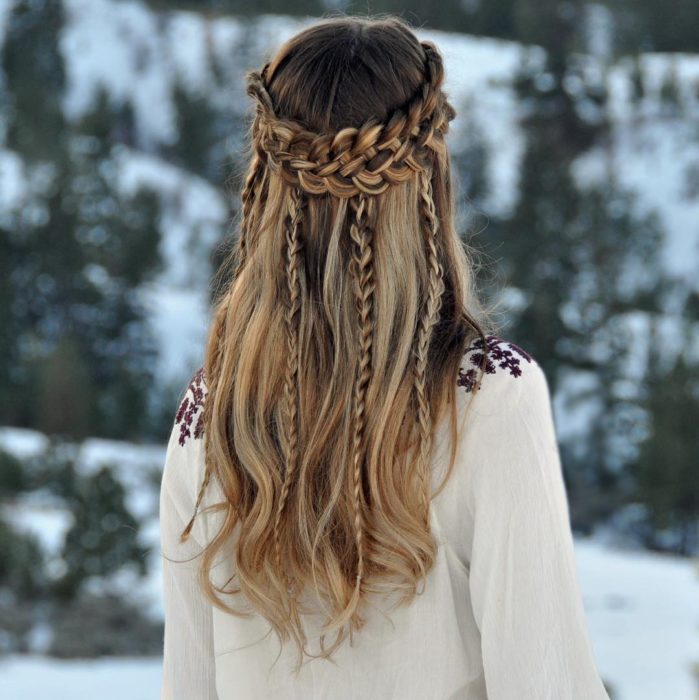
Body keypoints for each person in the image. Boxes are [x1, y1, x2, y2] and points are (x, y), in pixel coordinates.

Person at [159, 14, 610, 700]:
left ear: (267, 186)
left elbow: (188, 685)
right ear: (428, 182)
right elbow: (545, 679)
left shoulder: (215, 409)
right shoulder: (488, 397)